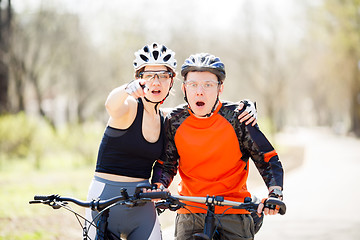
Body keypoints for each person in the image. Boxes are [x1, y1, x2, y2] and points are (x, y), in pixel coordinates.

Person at [85, 43, 257, 240]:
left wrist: (246, 107)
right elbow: (111, 105)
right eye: (149, 75)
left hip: (142, 202)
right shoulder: (129, 107)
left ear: (171, 81)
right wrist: (126, 89)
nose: (156, 82)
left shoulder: (166, 118)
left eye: (163, 76)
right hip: (106, 199)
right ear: (138, 79)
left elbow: (199, 111)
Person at [156, 53, 284, 240]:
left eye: (208, 85)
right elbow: (167, 164)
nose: (200, 91)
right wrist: (159, 186)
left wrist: (275, 193)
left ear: (220, 88)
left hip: (234, 209)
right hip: (191, 210)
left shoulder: (238, 118)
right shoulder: (174, 121)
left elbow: (266, 158)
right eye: (193, 85)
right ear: (184, 88)